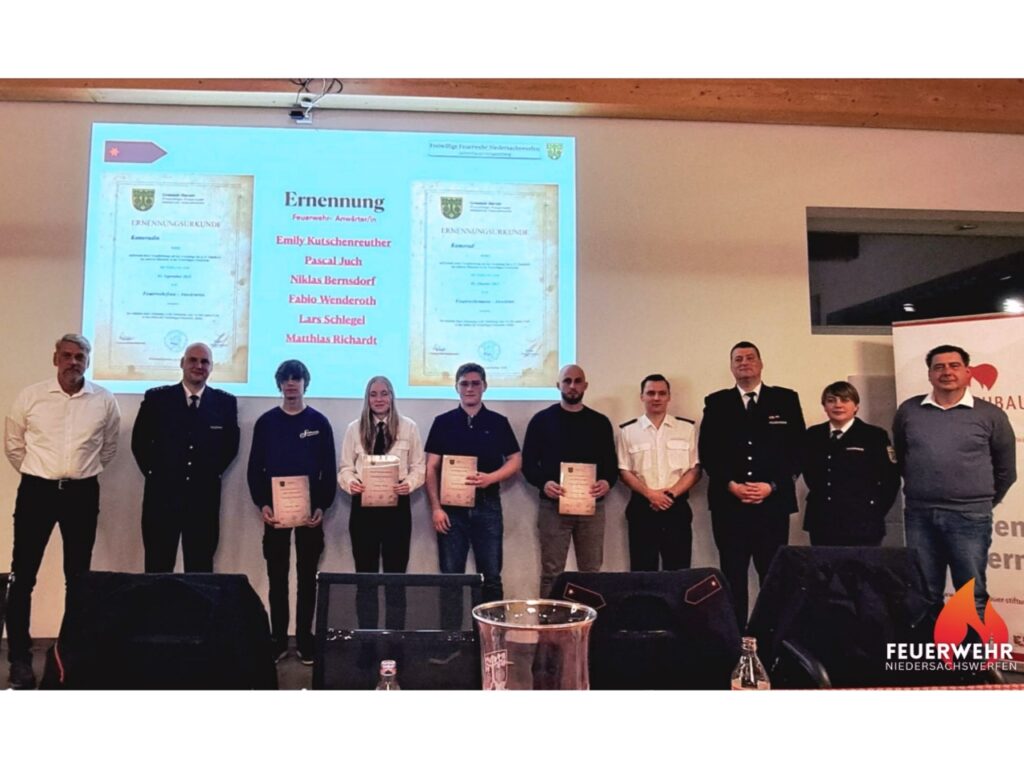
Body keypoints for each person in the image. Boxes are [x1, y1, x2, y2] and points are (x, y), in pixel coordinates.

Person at [3, 334, 121, 689]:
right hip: (37, 490)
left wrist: (76, 474)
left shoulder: (103, 400)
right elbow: (13, 446)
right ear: (55, 358)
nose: (73, 362)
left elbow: (109, 447)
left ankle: (70, 652)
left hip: (81, 493)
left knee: (78, 578)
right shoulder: (31, 396)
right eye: (67, 356)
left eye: (80, 356)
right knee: (23, 577)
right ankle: (20, 658)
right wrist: (41, 473)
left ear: (88, 360)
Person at [893, 344, 1016, 618]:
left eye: (954, 365)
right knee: (923, 591)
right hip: (919, 515)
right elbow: (903, 457)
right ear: (929, 375)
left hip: (969, 516)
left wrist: (978, 500)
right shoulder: (909, 411)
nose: (946, 372)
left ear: (968, 372)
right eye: (939, 367)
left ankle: (969, 660)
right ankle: (933, 658)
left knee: (970, 594)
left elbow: (1006, 470)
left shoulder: (990, 415)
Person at [699, 341, 805, 627]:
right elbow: (708, 452)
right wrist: (730, 484)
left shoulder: (785, 399)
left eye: (749, 358)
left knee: (771, 574)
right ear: (731, 367)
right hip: (729, 505)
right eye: (737, 359)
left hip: (772, 504)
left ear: (760, 363)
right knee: (732, 574)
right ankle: (736, 639)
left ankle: (769, 635)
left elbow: (798, 452)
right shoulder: (717, 402)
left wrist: (772, 485)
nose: (744, 363)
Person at [246, 360, 336, 663]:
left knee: (307, 577)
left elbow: (328, 470)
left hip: (310, 516)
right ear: (279, 384)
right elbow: (254, 469)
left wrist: (323, 505)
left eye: (296, 379)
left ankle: (305, 640)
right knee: (277, 577)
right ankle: (279, 638)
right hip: (276, 515)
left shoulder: (319, 423)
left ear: (305, 383)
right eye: (285, 379)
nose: (291, 384)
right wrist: (263, 504)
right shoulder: (266, 422)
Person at [131, 342, 240, 573]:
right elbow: (140, 443)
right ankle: (158, 611)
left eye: (205, 362)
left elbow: (229, 447)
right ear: (182, 363)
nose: (198, 366)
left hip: (203, 500)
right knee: (157, 569)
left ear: (211, 368)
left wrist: (208, 474)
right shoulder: (157, 399)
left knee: (200, 570)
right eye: (193, 360)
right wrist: (158, 475)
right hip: (161, 499)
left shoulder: (225, 403)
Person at [424, 362, 521, 603]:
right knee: (451, 578)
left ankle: (491, 639)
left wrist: (491, 478)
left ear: (484, 386)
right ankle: (453, 638)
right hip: (450, 511)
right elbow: (431, 468)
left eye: (475, 383)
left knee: (491, 577)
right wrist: (436, 508)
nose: (470, 388)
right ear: (456, 387)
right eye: (464, 383)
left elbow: (515, 460)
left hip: (487, 507)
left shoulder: (498, 422)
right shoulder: (442, 422)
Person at [522, 364, 617, 598]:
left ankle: (591, 629)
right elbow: (528, 464)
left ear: (585, 385)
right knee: (552, 572)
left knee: (591, 572)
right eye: (567, 381)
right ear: (558, 385)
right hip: (553, 508)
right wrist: (544, 484)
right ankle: (548, 629)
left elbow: (611, 466)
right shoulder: (541, 421)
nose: (572, 386)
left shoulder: (600, 422)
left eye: (577, 381)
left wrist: (606, 482)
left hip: (592, 508)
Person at [338, 375, 424, 628]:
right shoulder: (354, 428)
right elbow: (344, 467)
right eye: (373, 394)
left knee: (395, 579)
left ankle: (395, 639)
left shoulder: (409, 427)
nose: (379, 399)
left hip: (397, 512)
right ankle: (367, 640)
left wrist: (408, 484)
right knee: (365, 579)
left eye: (384, 393)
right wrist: (350, 482)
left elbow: (419, 467)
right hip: (363, 513)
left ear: (392, 397)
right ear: (367, 398)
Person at [617, 374, 702, 572]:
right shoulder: (628, 431)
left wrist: (670, 494)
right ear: (642, 397)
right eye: (651, 393)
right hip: (642, 509)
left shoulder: (686, 428)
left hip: (676, 508)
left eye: (662, 393)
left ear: (669, 397)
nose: (656, 398)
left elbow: (695, 469)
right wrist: (651, 494)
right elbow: (624, 471)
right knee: (643, 573)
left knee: (679, 572)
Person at [802, 381, 900, 546]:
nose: (838, 405)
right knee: (824, 570)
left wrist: (873, 512)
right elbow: (809, 473)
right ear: (824, 406)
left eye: (845, 400)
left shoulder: (874, 436)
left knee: (860, 571)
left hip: (862, 522)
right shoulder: (813, 435)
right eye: (831, 400)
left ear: (856, 406)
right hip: (822, 520)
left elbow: (890, 480)